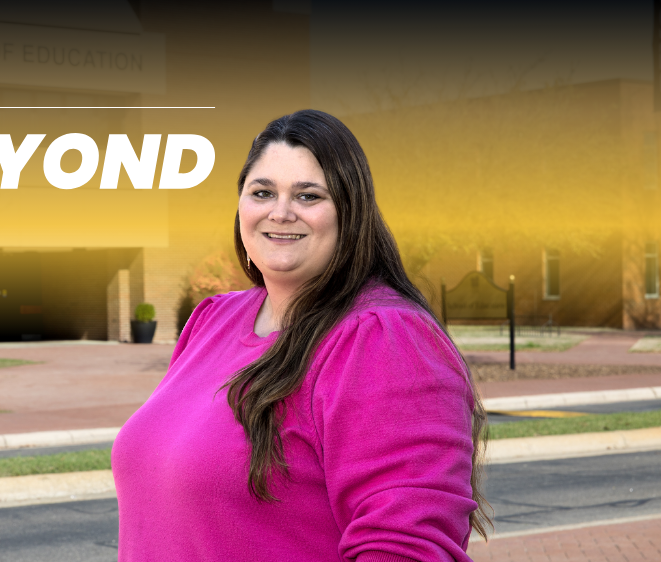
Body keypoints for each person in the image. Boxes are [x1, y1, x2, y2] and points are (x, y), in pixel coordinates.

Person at [111, 110, 491, 561]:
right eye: (262, 192)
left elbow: (407, 549)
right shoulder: (212, 319)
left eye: (308, 195)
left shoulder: (381, 340)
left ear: (350, 213)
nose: (281, 212)